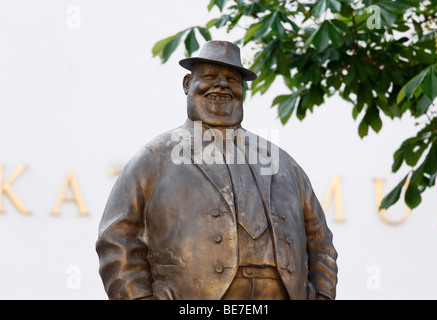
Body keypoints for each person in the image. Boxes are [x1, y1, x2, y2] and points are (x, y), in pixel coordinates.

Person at [96, 40, 338, 300]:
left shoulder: (283, 164)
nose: (222, 85)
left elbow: (320, 244)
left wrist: (322, 296)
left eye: (232, 79)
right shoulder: (155, 158)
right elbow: (117, 240)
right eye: (210, 76)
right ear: (187, 83)